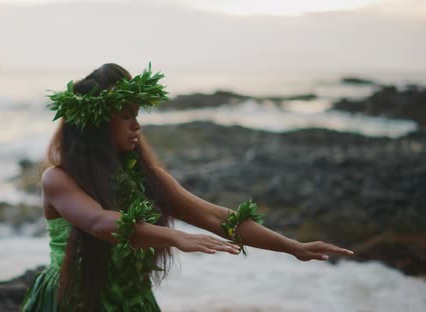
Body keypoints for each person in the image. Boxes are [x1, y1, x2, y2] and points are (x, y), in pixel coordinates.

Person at [20, 63, 354, 312]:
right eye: (125, 116)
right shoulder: (59, 179)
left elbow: (219, 219)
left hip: (132, 302)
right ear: (95, 123)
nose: (137, 125)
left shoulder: (149, 179)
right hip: (74, 300)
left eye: (137, 114)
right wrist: (174, 236)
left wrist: (292, 247)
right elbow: (97, 222)